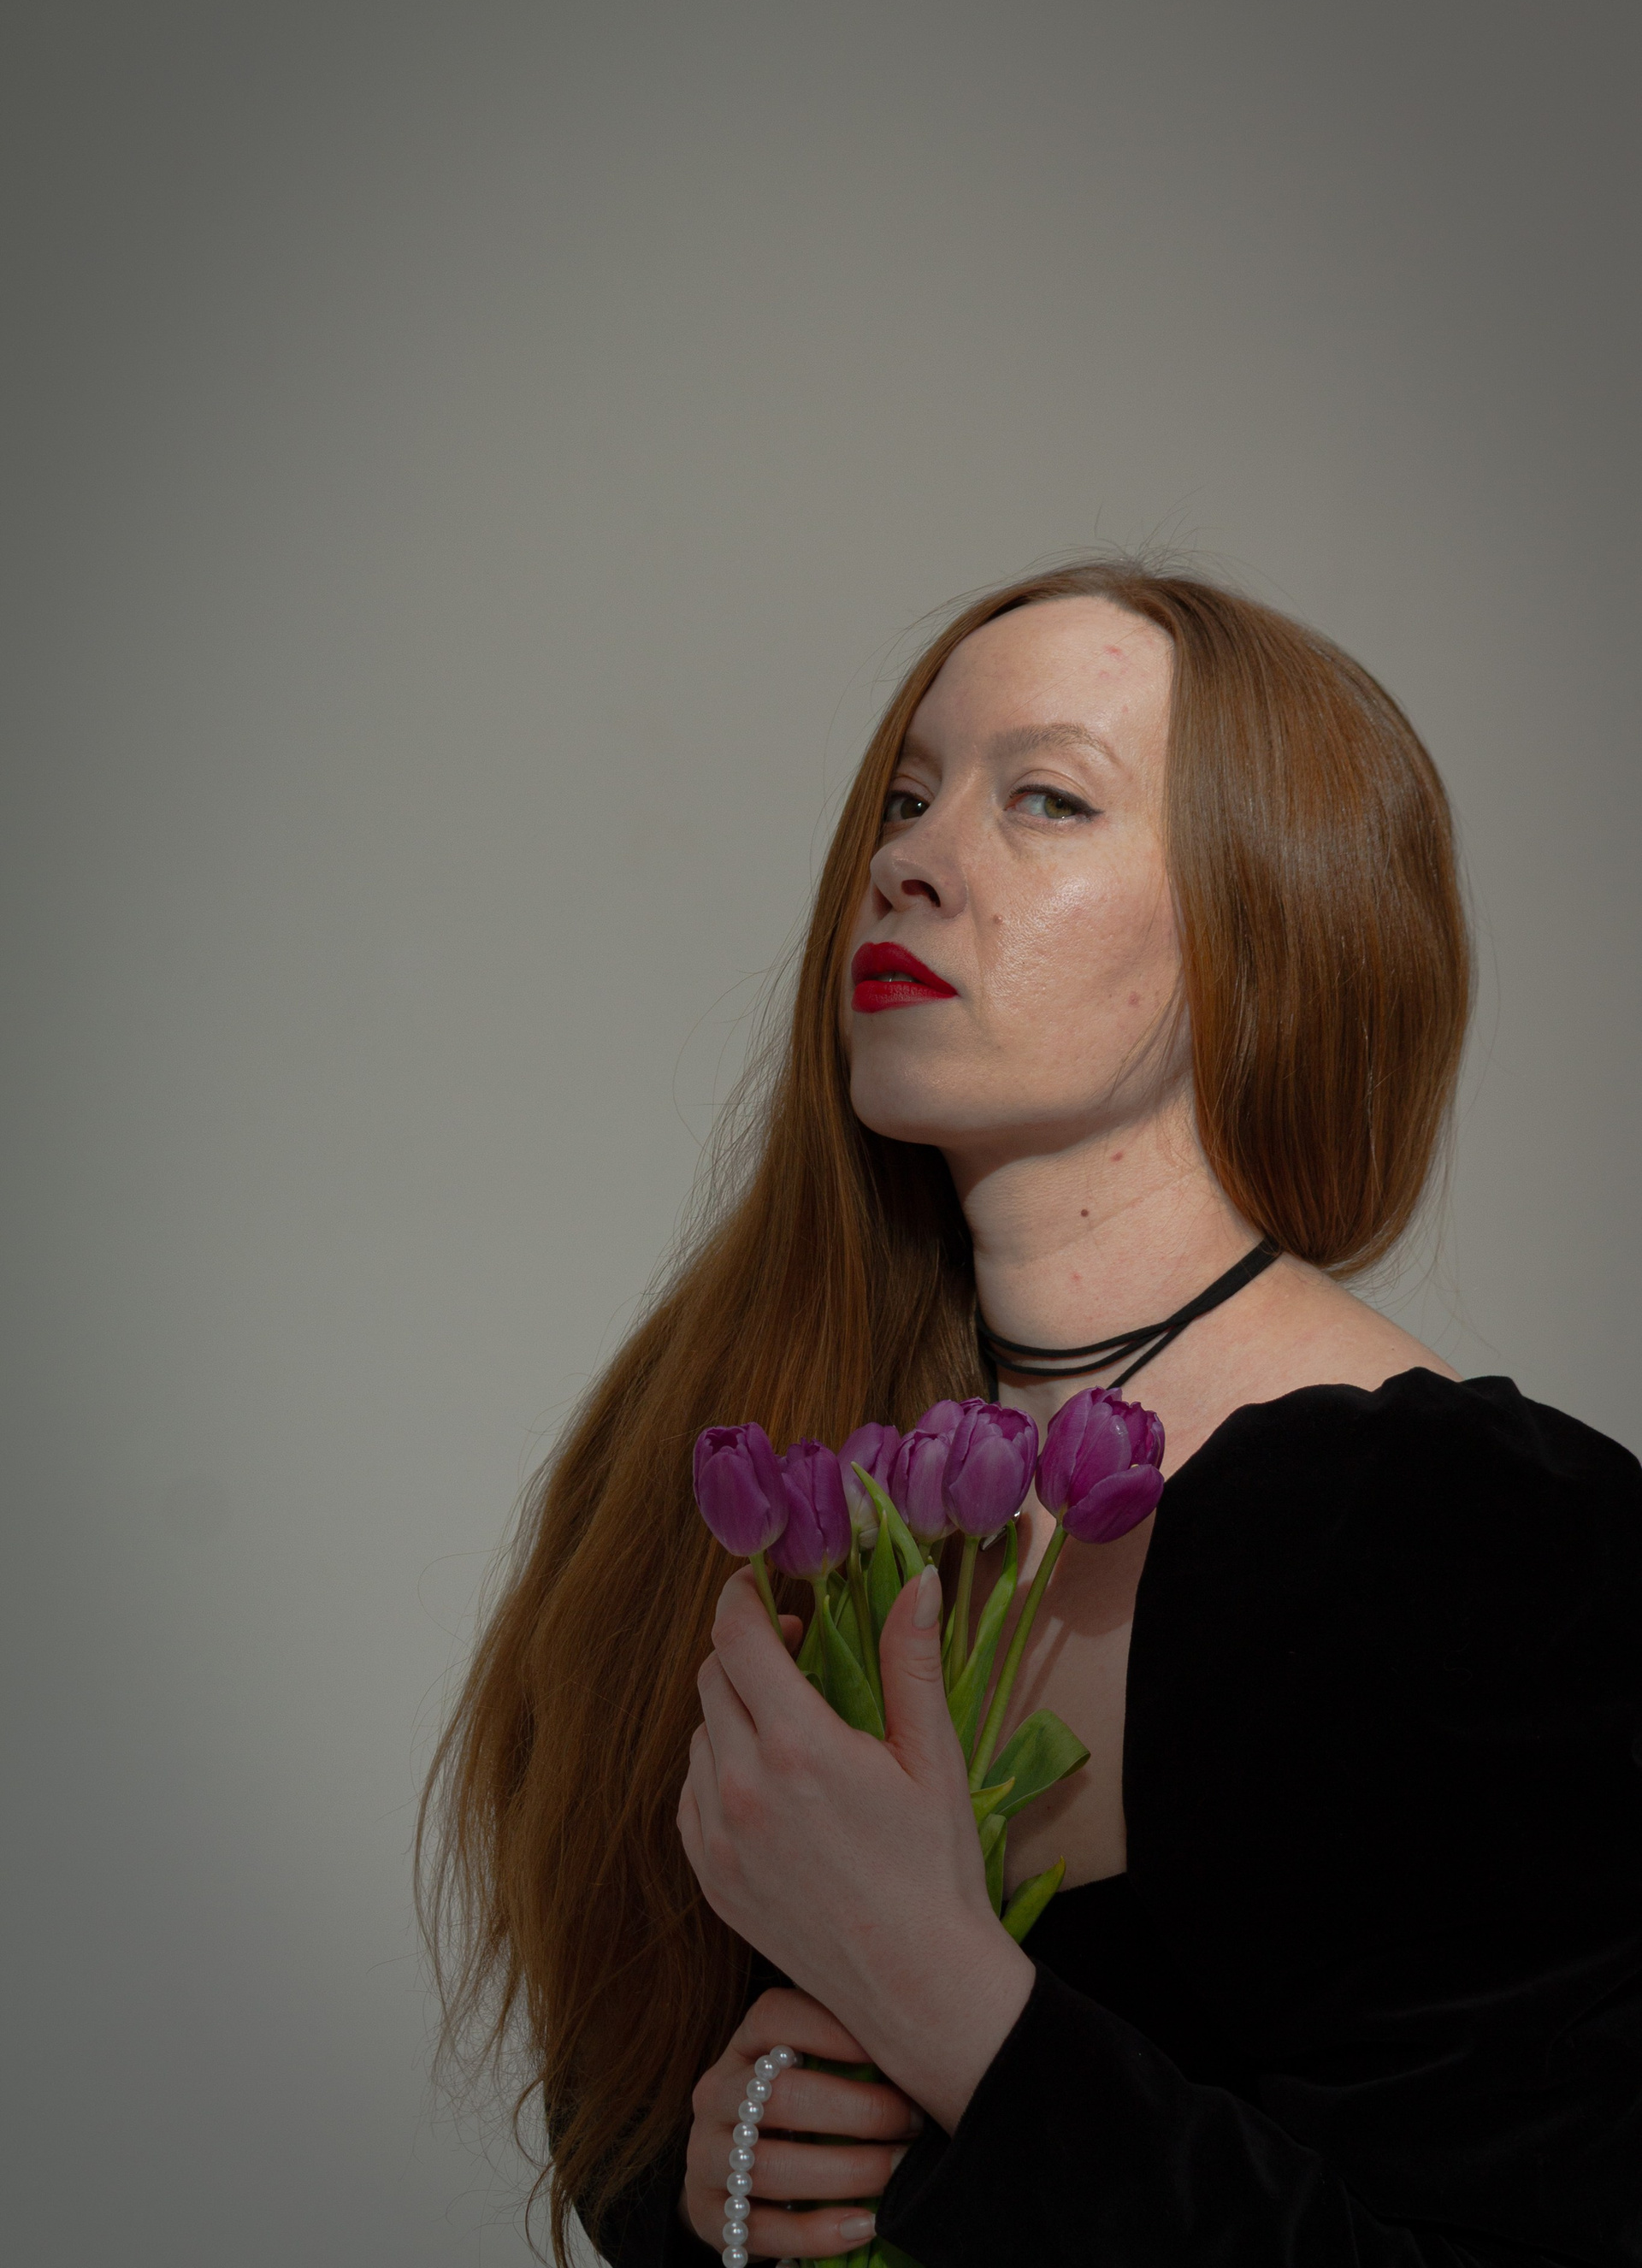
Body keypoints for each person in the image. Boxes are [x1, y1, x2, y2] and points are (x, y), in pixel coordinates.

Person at [419, 562, 1642, 2268]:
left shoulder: (1475, 1536)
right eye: (906, 797)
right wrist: (716, 2188)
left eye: (1047, 799)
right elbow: (637, 2112)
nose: (909, 860)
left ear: (1272, 922)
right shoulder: (747, 1458)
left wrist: (948, 2002)